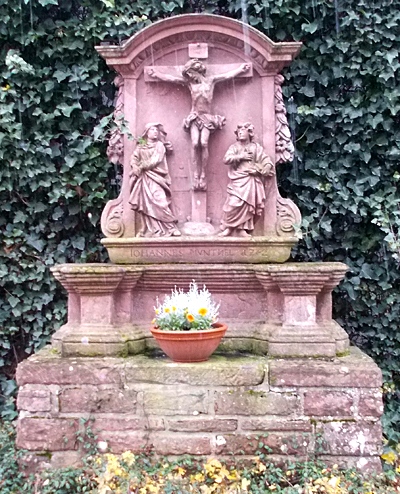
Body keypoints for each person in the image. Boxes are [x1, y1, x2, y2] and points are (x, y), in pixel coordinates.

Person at [147, 59, 250, 190]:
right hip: (194, 117)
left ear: (197, 71)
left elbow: (227, 76)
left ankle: (203, 174)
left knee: (204, 143)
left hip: (207, 117)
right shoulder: (190, 83)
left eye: (190, 73)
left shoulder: (211, 80)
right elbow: (172, 79)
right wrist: (156, 75)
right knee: (195, 143)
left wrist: (240, 70)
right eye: (188, 74)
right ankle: (196, 173)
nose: (189, 76)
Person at [219, 123, 275, 237]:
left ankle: (242, 229)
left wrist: (265, 168)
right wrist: (241, 156)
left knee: (248, 205)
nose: (240, 133)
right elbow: (226, 159)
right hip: (238, 180)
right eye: (238, 131)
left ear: (249, 133)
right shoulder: (234, 147)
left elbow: (266, 160)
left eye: (243, 131)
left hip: (251, 180)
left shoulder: (256, 147)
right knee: (233, 203)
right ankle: (228, 227)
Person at [129, 123, 181, 237]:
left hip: (157, 178)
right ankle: (151, 229)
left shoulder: (160, 146)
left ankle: (170, 227)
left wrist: (141, 166)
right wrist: (135, 166)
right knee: (145, 204)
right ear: (147, 132)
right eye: (152, 130)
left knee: (161, 201)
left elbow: (155, 160)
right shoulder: (141, 145)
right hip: (144, 178)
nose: (155, 132)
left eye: (157, 130)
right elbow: (134, 157)